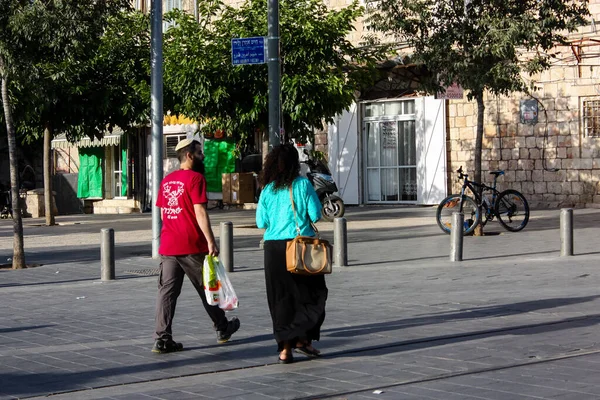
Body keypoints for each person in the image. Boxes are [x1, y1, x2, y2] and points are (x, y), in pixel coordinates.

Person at [152, 138, 240, 353]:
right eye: (200, 153)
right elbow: (200, 211)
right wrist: (211, 240)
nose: (204, 157)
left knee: (167, 293)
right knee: (206, 288)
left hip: (169, 245)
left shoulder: (167, 181)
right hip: (191, 244)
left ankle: (162, 339)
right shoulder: (195, 179)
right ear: (189, 156)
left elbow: (164, 212)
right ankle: (222, 328)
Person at [256, 143, 327, 364]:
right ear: (295, 164)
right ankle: (304, 340)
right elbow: (315, 215)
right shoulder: (302, 185)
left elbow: (261, 222)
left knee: (281, 301)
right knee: (312, 295)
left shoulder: (267, 190)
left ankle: (285, 349)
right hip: (299, 247)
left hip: (273, 250)